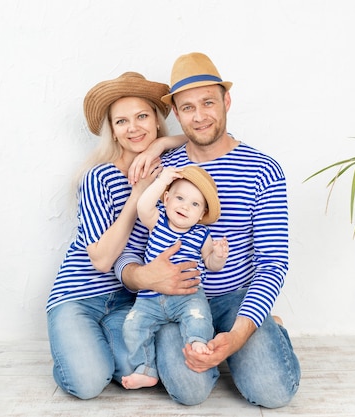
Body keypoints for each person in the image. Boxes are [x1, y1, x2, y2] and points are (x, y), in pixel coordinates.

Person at [115, 52, 301, 408]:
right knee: (189, 393)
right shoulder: (163, 170)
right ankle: (219, 350)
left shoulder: (264, 169)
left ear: (226, 101)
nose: (199, 116)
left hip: (236, 297)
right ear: (177, 115)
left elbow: (273, 262)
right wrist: (144, 277)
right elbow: (131, 249)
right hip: (173, 303)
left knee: (273, 394)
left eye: (208, 103)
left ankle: (263, 328)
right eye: (187, 108)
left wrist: (239, 333)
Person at [45, 71, 189, 400]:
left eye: (141, 116)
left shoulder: (165, 169)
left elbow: (200, 140)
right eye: (121, 121)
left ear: (156, 120)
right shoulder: (99, 176)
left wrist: (163, 145)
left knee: (138, 373)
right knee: (87, 383)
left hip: (128, 301)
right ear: (113, 130)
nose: (133, 127)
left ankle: (95, 350)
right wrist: (137, 193)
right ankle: (72, 350)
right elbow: (101, 259)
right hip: (78, 297)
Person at [121, 165, 229, 390]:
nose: (185, 206)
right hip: (149, 298)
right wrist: (161, 181)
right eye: (179, 198)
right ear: (167, 199)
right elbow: (143, 205)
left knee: (198, 316)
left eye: (195, 204)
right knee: (132, 326)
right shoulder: (157, 222)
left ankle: (197, 341)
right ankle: (145, 368)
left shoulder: (201, 234)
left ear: (201, 215)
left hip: (188, 295)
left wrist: (218, 255)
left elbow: (210, 264)